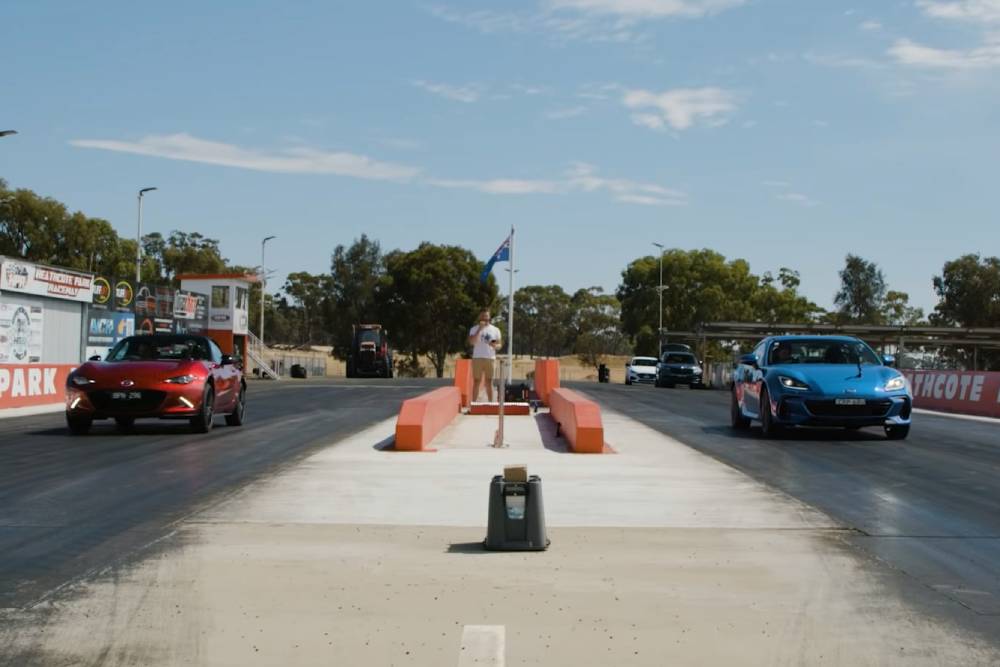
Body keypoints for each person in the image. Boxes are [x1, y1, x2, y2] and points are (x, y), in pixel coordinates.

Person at [468, 310, 502, 402]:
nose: (485, 319)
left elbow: (499, 345)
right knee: (476, 381)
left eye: (487, 317)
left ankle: (491, 404)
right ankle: (473, 404)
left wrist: (495, 345)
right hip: (477, 358)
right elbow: (472, 342)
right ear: (480, 318)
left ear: (489, 318)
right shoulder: (474, 329)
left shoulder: (495, 330)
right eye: (483, 317)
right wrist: (479, 329)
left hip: (490, 358)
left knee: (489, 382)